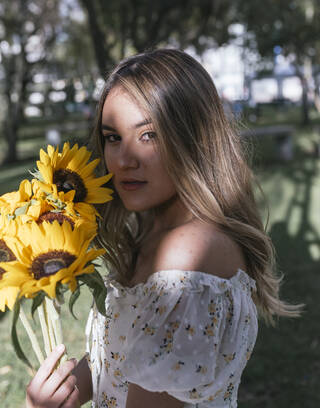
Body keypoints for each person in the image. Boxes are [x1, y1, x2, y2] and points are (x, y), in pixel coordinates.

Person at [26, 48, 301, 408]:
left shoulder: (188, 258)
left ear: (194, 137)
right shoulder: (155, 233)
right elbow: (126, 354)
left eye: (149, 135)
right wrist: (65, 394)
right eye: (113, 137)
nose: (124, 160)